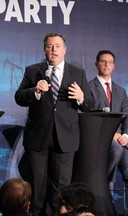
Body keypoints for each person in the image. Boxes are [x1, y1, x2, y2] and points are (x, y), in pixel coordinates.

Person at [15, 33, 94, 215]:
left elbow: (89, 104)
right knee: (37, 185)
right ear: (44, 50)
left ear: (64, 50)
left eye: (57, 46)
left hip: (65, 138)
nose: (54, 50)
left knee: (61, 187)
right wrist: (34, 91)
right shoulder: (32, 71)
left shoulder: (78, 73)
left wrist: (81, 97)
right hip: (38, 137)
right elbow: (19, 97)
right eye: (50, 46)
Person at [88, 50, 128, 203]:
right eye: (103, 61)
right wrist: (111, 134)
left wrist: (126, 135)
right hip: (100, 140)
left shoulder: (121, 90)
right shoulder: (88, 88)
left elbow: (127, 116)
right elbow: (90, 116)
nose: (106, 65)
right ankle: (104, 193)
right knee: (105, 170)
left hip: (121, 140)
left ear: (114, 66)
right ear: (96, 64)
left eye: (110, 62)